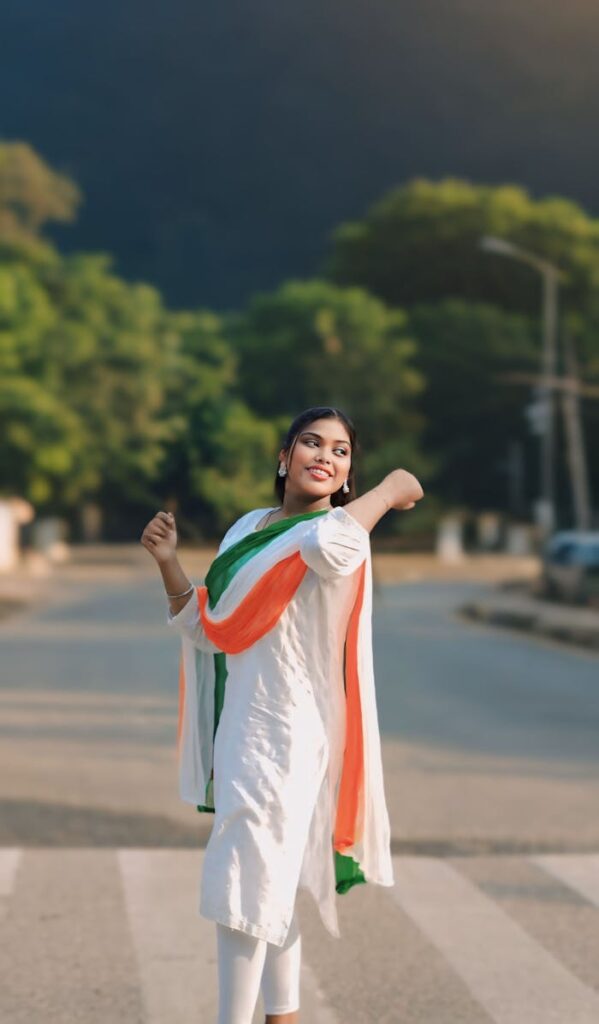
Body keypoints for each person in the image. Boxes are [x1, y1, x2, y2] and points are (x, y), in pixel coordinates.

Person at [140, 406, 424, 1024]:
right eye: (312, 444)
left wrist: (391, 488)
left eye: (342, 452)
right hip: (242, 725)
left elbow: (337, 542)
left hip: (292, 730)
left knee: (244, 878)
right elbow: (208, 629)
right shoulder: (248, 528)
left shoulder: (335, 534)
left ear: (349, 475)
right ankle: (283, 1016)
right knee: (272, 874)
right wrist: (167, 561)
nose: (326, 457)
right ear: (283, 456)